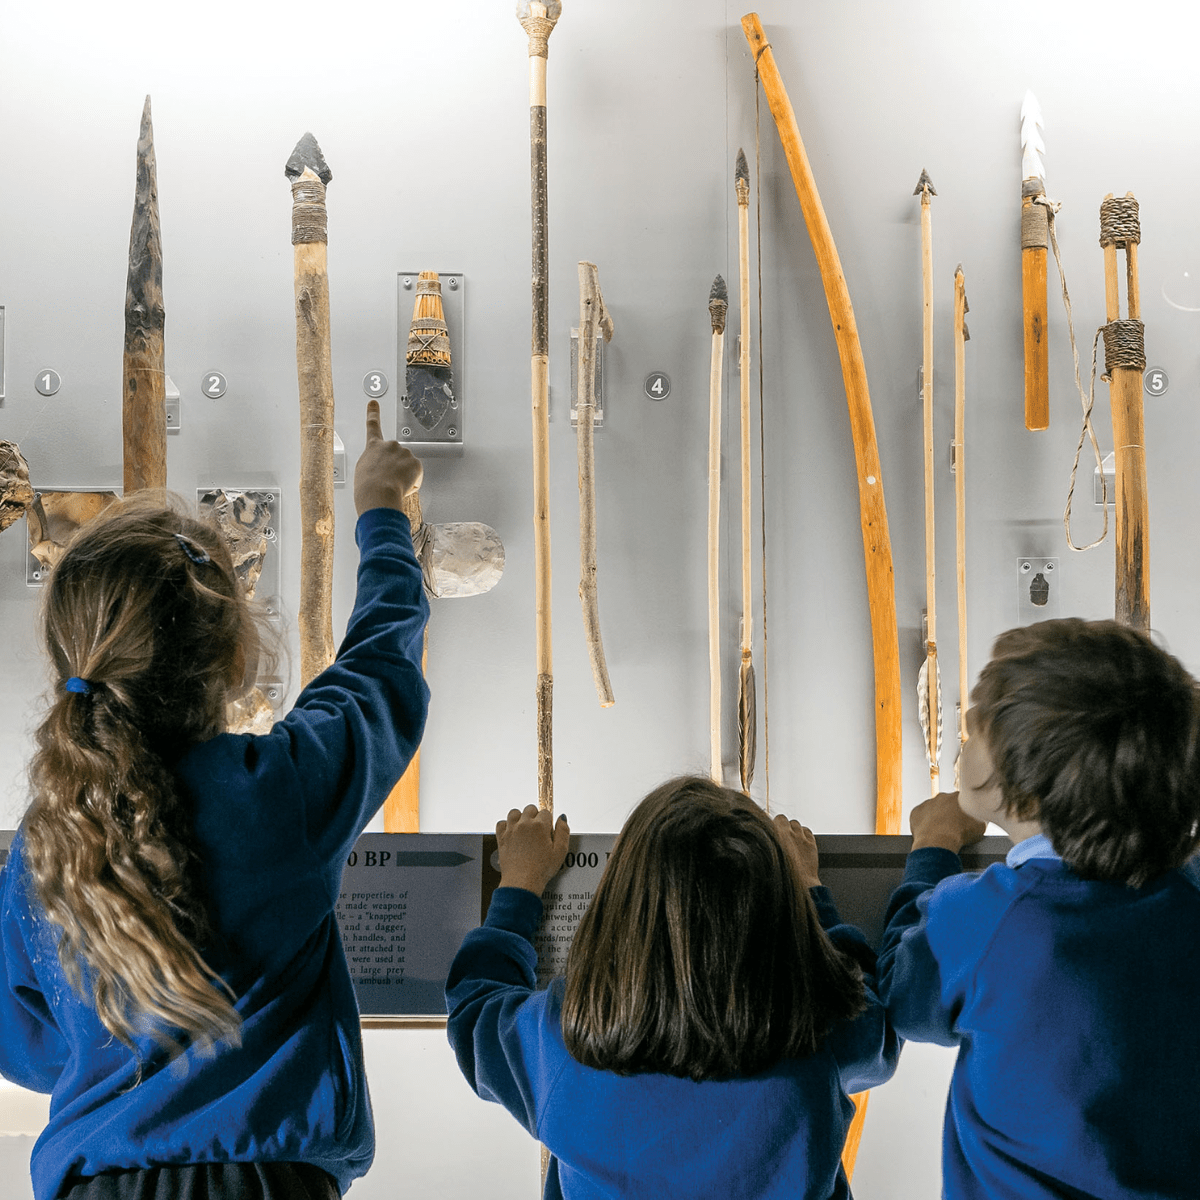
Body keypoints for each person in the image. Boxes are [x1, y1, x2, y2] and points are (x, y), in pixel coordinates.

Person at [0, 400, 429, 1200]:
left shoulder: (45, 841)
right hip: (264, 1184)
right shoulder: (276, 791)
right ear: (237, 656)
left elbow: (26, 1035)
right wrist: (381, 515)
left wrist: (126, 1043)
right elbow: (383, 674)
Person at [446, 775, 899, 1199]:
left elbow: (475, 1014)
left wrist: (518, 886)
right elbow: (875, 1022)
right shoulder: (820, 1028)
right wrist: (811, 892)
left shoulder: (563, 1041)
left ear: (621, 902)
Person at [877, 618, 1200, 1198]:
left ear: (1022, 776)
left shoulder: (986, 918)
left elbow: (904, 997)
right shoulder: (1189, 899)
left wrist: (932, 846)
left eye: (975, 731)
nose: (964, 744)